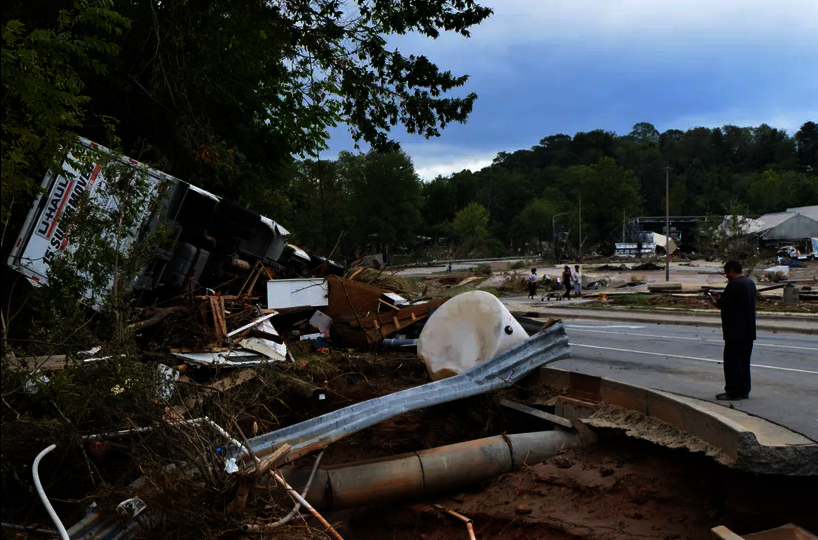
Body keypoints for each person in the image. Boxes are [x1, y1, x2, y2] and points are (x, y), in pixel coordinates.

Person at [709, 260, 756, 401]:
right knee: (744, 362)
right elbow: (736, 301)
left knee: (732, 363)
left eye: (726, 273)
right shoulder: (750, 283)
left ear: (731, 271)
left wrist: (714, 301)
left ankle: (733, 391)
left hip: (735, 331)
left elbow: (722, 305)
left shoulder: (734, 284)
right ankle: (744, 390)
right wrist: (722, 296)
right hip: (748, 330)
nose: (726, 276)